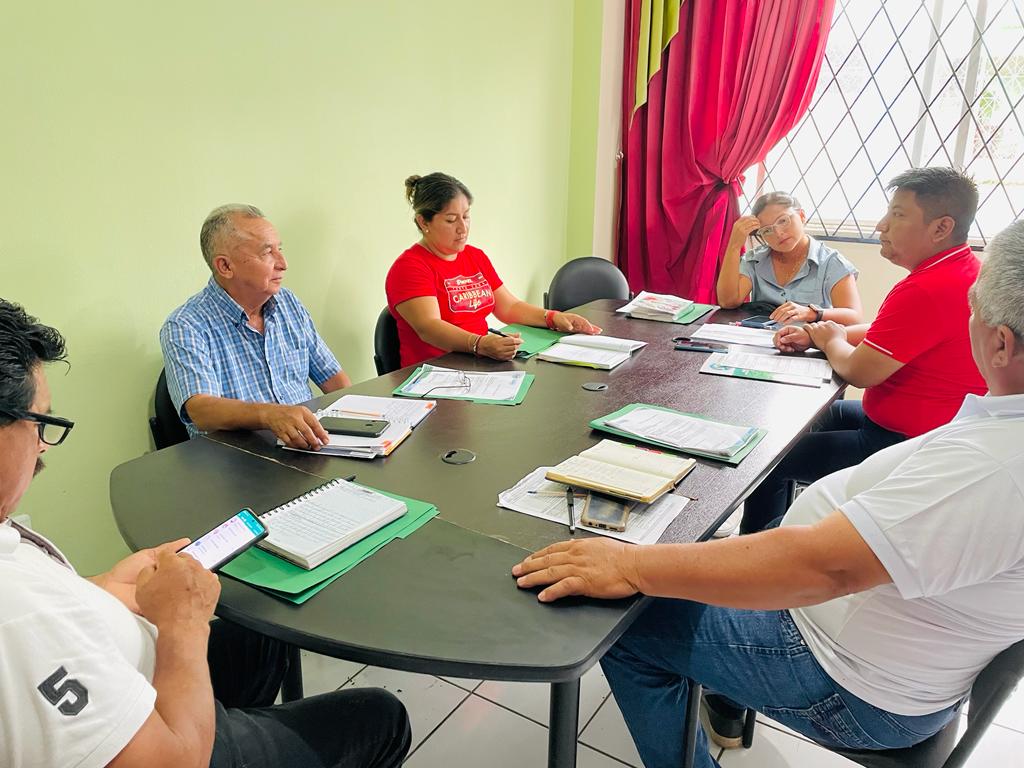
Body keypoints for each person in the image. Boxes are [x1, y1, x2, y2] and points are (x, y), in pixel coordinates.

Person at [510, 219, 1024, 768]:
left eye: (972, 309)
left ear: (1000, 343)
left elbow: (824, 569)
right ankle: (719, 690)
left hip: (846, 679)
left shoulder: (997, 466)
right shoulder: (1002, 432)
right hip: (872, 640)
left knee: (625, 625)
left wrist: (629, 565)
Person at [0, 299, 411, 768]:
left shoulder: (288, 307)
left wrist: (105, 588)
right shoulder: (17, 619)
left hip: (126, 656)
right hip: (172, 736)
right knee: (379, 716)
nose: (43, 447)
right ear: (226, 265)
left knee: (264, 634)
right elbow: (173, 762)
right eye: (40, 423)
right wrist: (183, 624)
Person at [743, 167, 987, 534]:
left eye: (898, 214)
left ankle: (760, 549)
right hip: (915, 425)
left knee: (766, 461)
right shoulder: (960, 269)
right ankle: (781, 527)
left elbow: (859, 372)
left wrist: (830, 340)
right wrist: (817, 333)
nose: (881, 226)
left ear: (941, 228)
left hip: (903, 443)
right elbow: (888, 333)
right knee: (802, 419)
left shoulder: (926, 289)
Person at [161, 205, 351, 451]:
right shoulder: (185, 325)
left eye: (280, 249)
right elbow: (201, 410)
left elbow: (332, 377)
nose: (283, 263)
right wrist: (268, 415)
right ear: (225, 266)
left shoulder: (288, 303)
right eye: (267, 252)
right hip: (238, 460)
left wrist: (364, 423)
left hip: (306, 447)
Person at [385, 172, 601, 368]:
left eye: (466, 216)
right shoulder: (410, 267)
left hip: (478, 364)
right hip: (435, 373)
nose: (463, 228)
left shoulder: (474, 256)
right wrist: (480, 344)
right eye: (451, 220)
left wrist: (553, 318)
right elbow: (429, 328)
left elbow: (509, 307)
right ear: (424, 222)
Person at [716, 192, 862, 325]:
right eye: (767, 230)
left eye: (783, 221)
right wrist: (734, 246)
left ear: (802, 216)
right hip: (761, 341)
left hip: (810, 342)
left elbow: (854, 317)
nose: (778, 233)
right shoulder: (755, 260)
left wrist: (811, 313)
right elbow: (728, 302)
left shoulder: (831, 262)